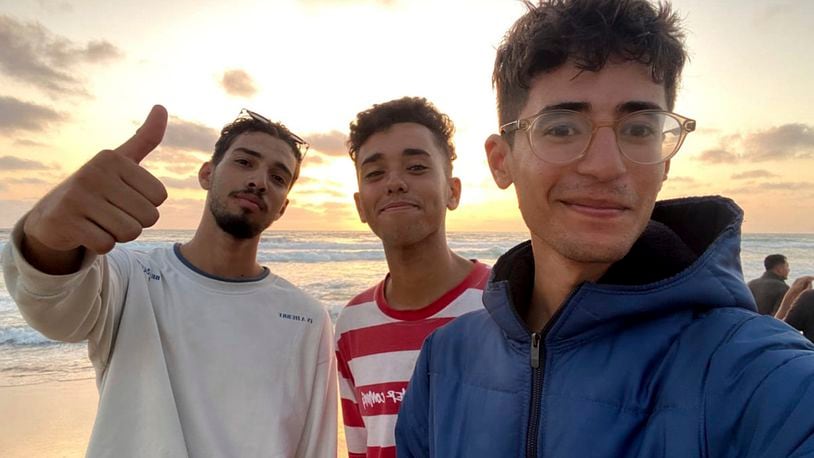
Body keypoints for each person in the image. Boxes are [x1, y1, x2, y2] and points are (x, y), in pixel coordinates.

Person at [395, 1, 814, 456]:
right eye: (561, 128)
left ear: (666, 157)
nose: (606, 166)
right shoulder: (444, 363)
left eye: (638, 129)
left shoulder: (753, 373)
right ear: (502, 161)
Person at [1, 106, 337, 457]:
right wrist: (49, 235)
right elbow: (53, 307)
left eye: (278, 177)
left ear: (283, 207)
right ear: (207, 174)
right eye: (244, 162)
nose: (259, 181)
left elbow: (315, 447)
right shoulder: (130, 278)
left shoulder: (307, 318)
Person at [335, 97, 490, 458]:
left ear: (452, 191)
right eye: (375, 173)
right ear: (360, 206)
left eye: (416, 167)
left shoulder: (506, 303)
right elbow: (363, 449)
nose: (395, 183)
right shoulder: (351, 325)